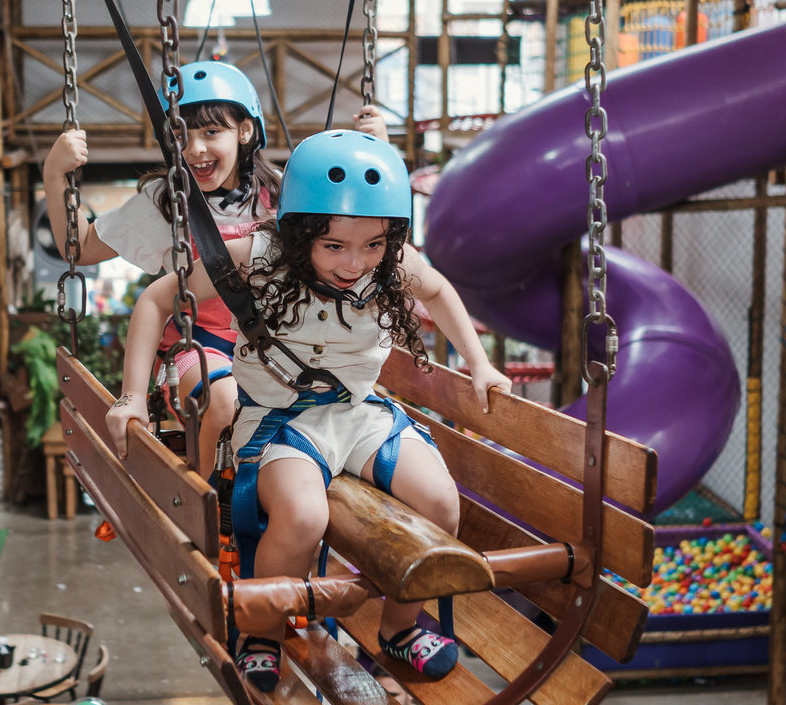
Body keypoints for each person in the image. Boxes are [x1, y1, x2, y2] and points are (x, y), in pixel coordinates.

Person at [106, 129, 512, 691]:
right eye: (334, 247)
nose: (355, 263)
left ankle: (399, 628)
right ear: (299, 235)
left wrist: (480, 363)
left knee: (441, 503)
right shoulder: (256, 256)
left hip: (361, 413)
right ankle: (263, 631)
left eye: (373, 245)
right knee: (302, 517)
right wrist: (132, 397)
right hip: (282, 421)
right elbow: (156, 301)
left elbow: (439, 293)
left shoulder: (391, 263)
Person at [43, 59, 388, 475]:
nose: (196, 149)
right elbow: (80, 248)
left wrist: (377, 153)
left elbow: (363, 233)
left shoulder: (283, 191)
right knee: (225, 401)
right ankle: (210, 510)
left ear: (245, 131)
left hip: (281, 349)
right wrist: (55, 174)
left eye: (212, 131)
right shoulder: (166, 201)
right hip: (199, 349)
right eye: (181, 136)